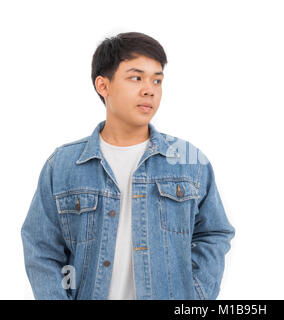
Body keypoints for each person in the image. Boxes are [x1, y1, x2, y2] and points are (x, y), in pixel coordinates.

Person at [20, 32, 235, 300]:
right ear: (103, 85)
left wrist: (196, 296)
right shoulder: (63, 165)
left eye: (157, 80)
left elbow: (214, 233)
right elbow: (42, 249)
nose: (150, 89)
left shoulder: (189, 160)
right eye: (136, 78)